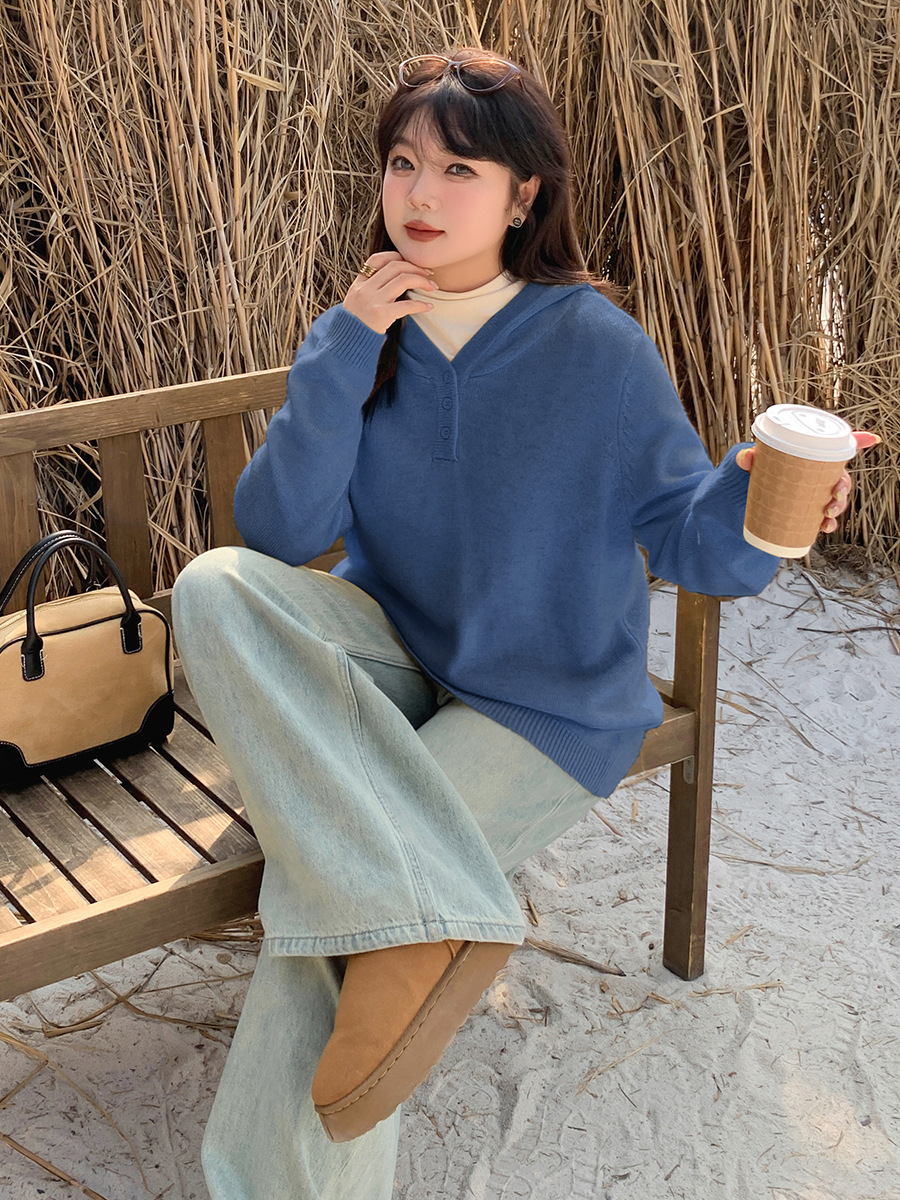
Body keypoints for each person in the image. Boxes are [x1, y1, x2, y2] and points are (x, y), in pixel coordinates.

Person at [171, 46, 863, 1199]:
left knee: (332, 919)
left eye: (460, 169)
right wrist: (344, 347)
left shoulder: (593, 345)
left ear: (523, 195)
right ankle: (443, 907)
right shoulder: (364, 331)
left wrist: (759, 501)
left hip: (542, 704)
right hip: (396, 657)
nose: (422, 194)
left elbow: (689, 540)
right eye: (403, 162)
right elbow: (279, 534)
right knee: (214, 587)